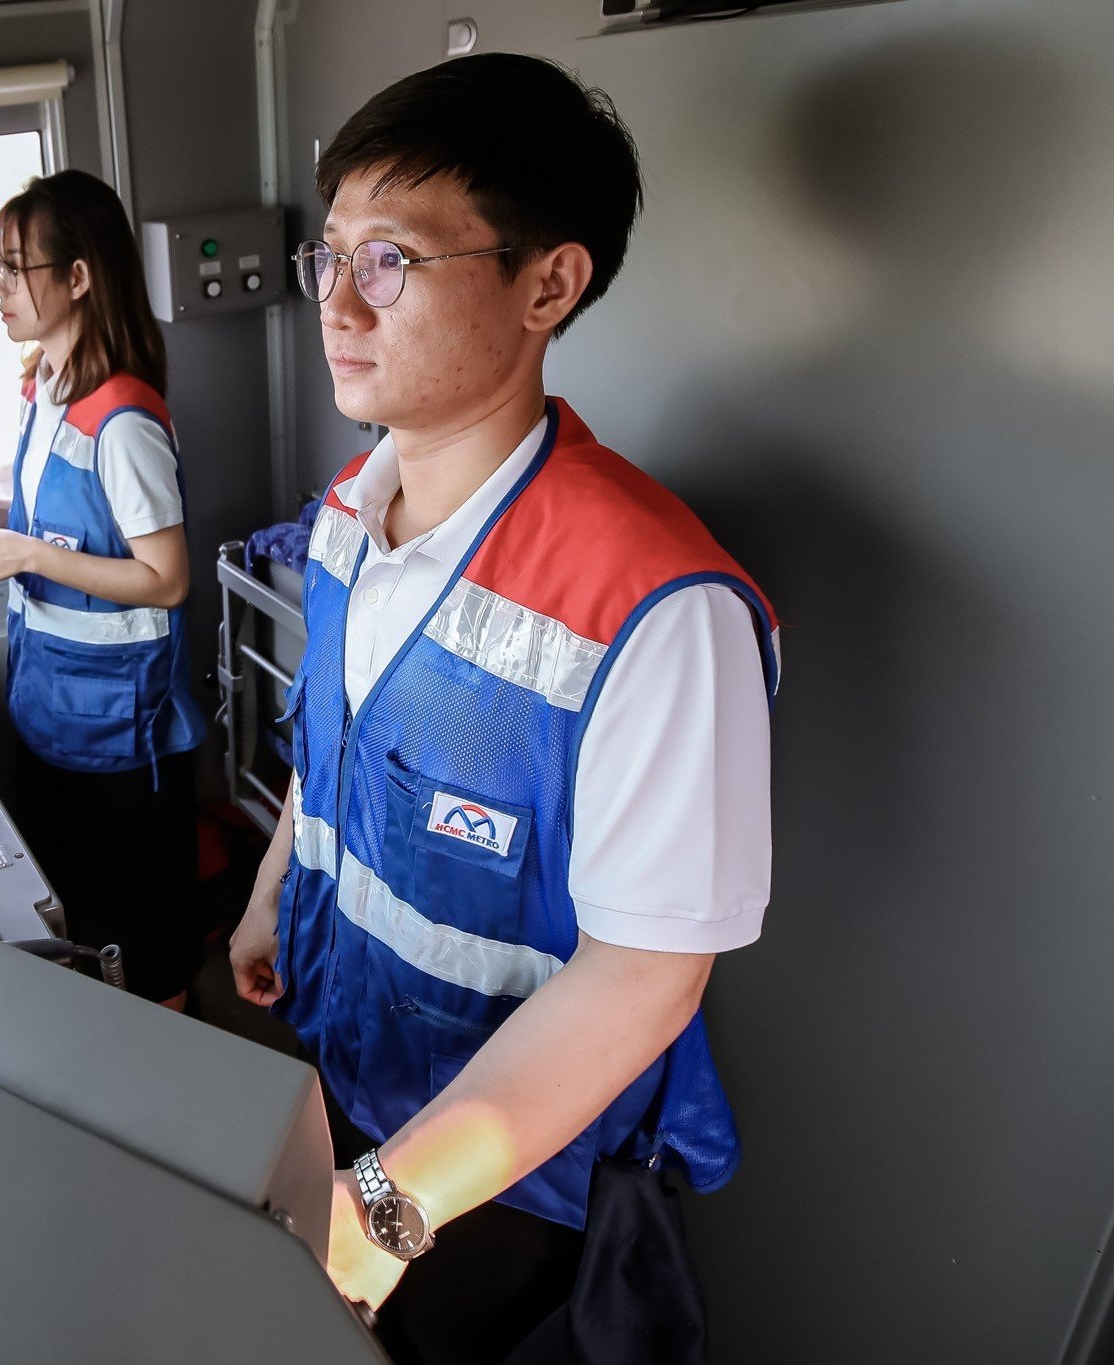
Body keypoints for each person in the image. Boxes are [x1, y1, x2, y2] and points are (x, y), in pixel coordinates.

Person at [225, 55, 778, 1364]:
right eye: (332, 257)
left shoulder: (656, 603)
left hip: (502, 1180)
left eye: (392, 263)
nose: (338, 305)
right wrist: (268, 891)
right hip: (343, 1063)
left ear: (548, 284)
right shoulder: (353, 506)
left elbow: (645, 978)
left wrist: (387, 1204)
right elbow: (339, 737)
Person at [0, 169, 208, 1009]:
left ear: (77, 277)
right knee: (79, 919)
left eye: (17, 269)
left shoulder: (124, 419)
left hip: (122, 731)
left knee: (147, 952)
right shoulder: (42, 386)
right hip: (50, 706)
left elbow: (165, 578)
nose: (1, 291)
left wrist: (26, 557)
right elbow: (65, 522)